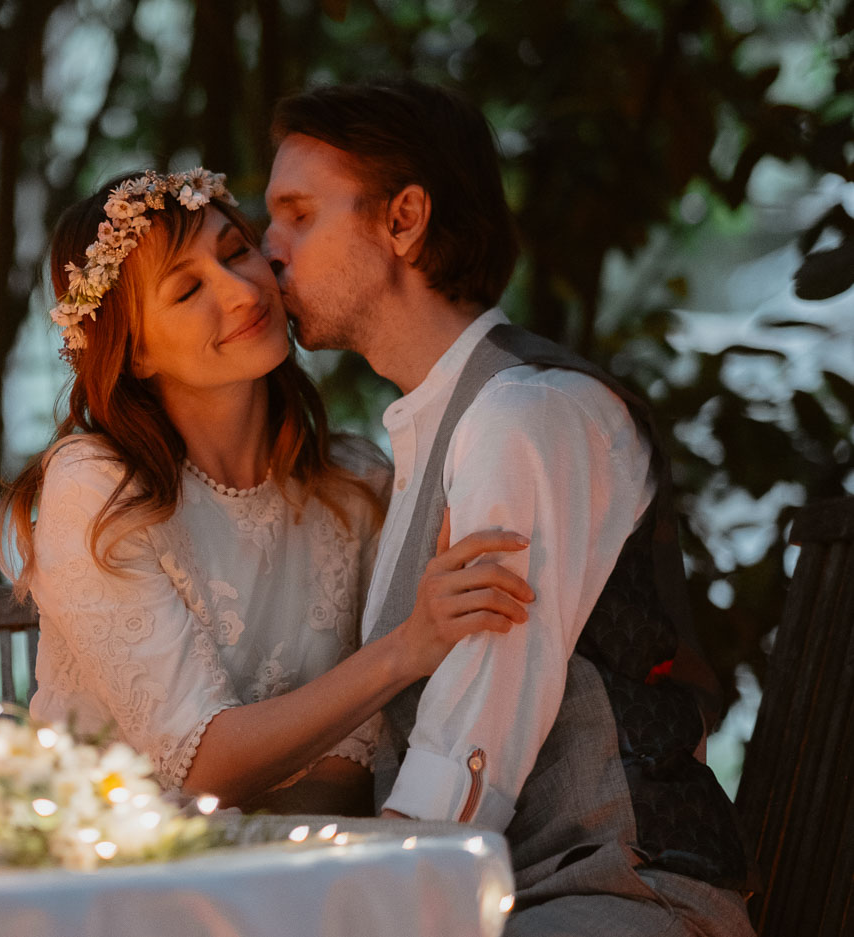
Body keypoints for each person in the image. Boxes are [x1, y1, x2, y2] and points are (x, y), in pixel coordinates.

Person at [262, 77, 753, 934]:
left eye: (298, 214)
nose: (269, 249)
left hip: (618, 895)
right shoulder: (431, 430)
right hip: (505, 899)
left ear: (404, 220)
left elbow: (470, 742)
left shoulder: (524, 415)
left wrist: (346, 910)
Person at [0, 168, 535, 813]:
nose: (244, 292)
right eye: (188, 289)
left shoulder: (353, 483)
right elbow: (201, 768)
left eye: (236, 252)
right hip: (116, 857)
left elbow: (354, 765)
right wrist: (404, 651)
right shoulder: (99, 489)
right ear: (135, 352)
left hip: (305, 855)